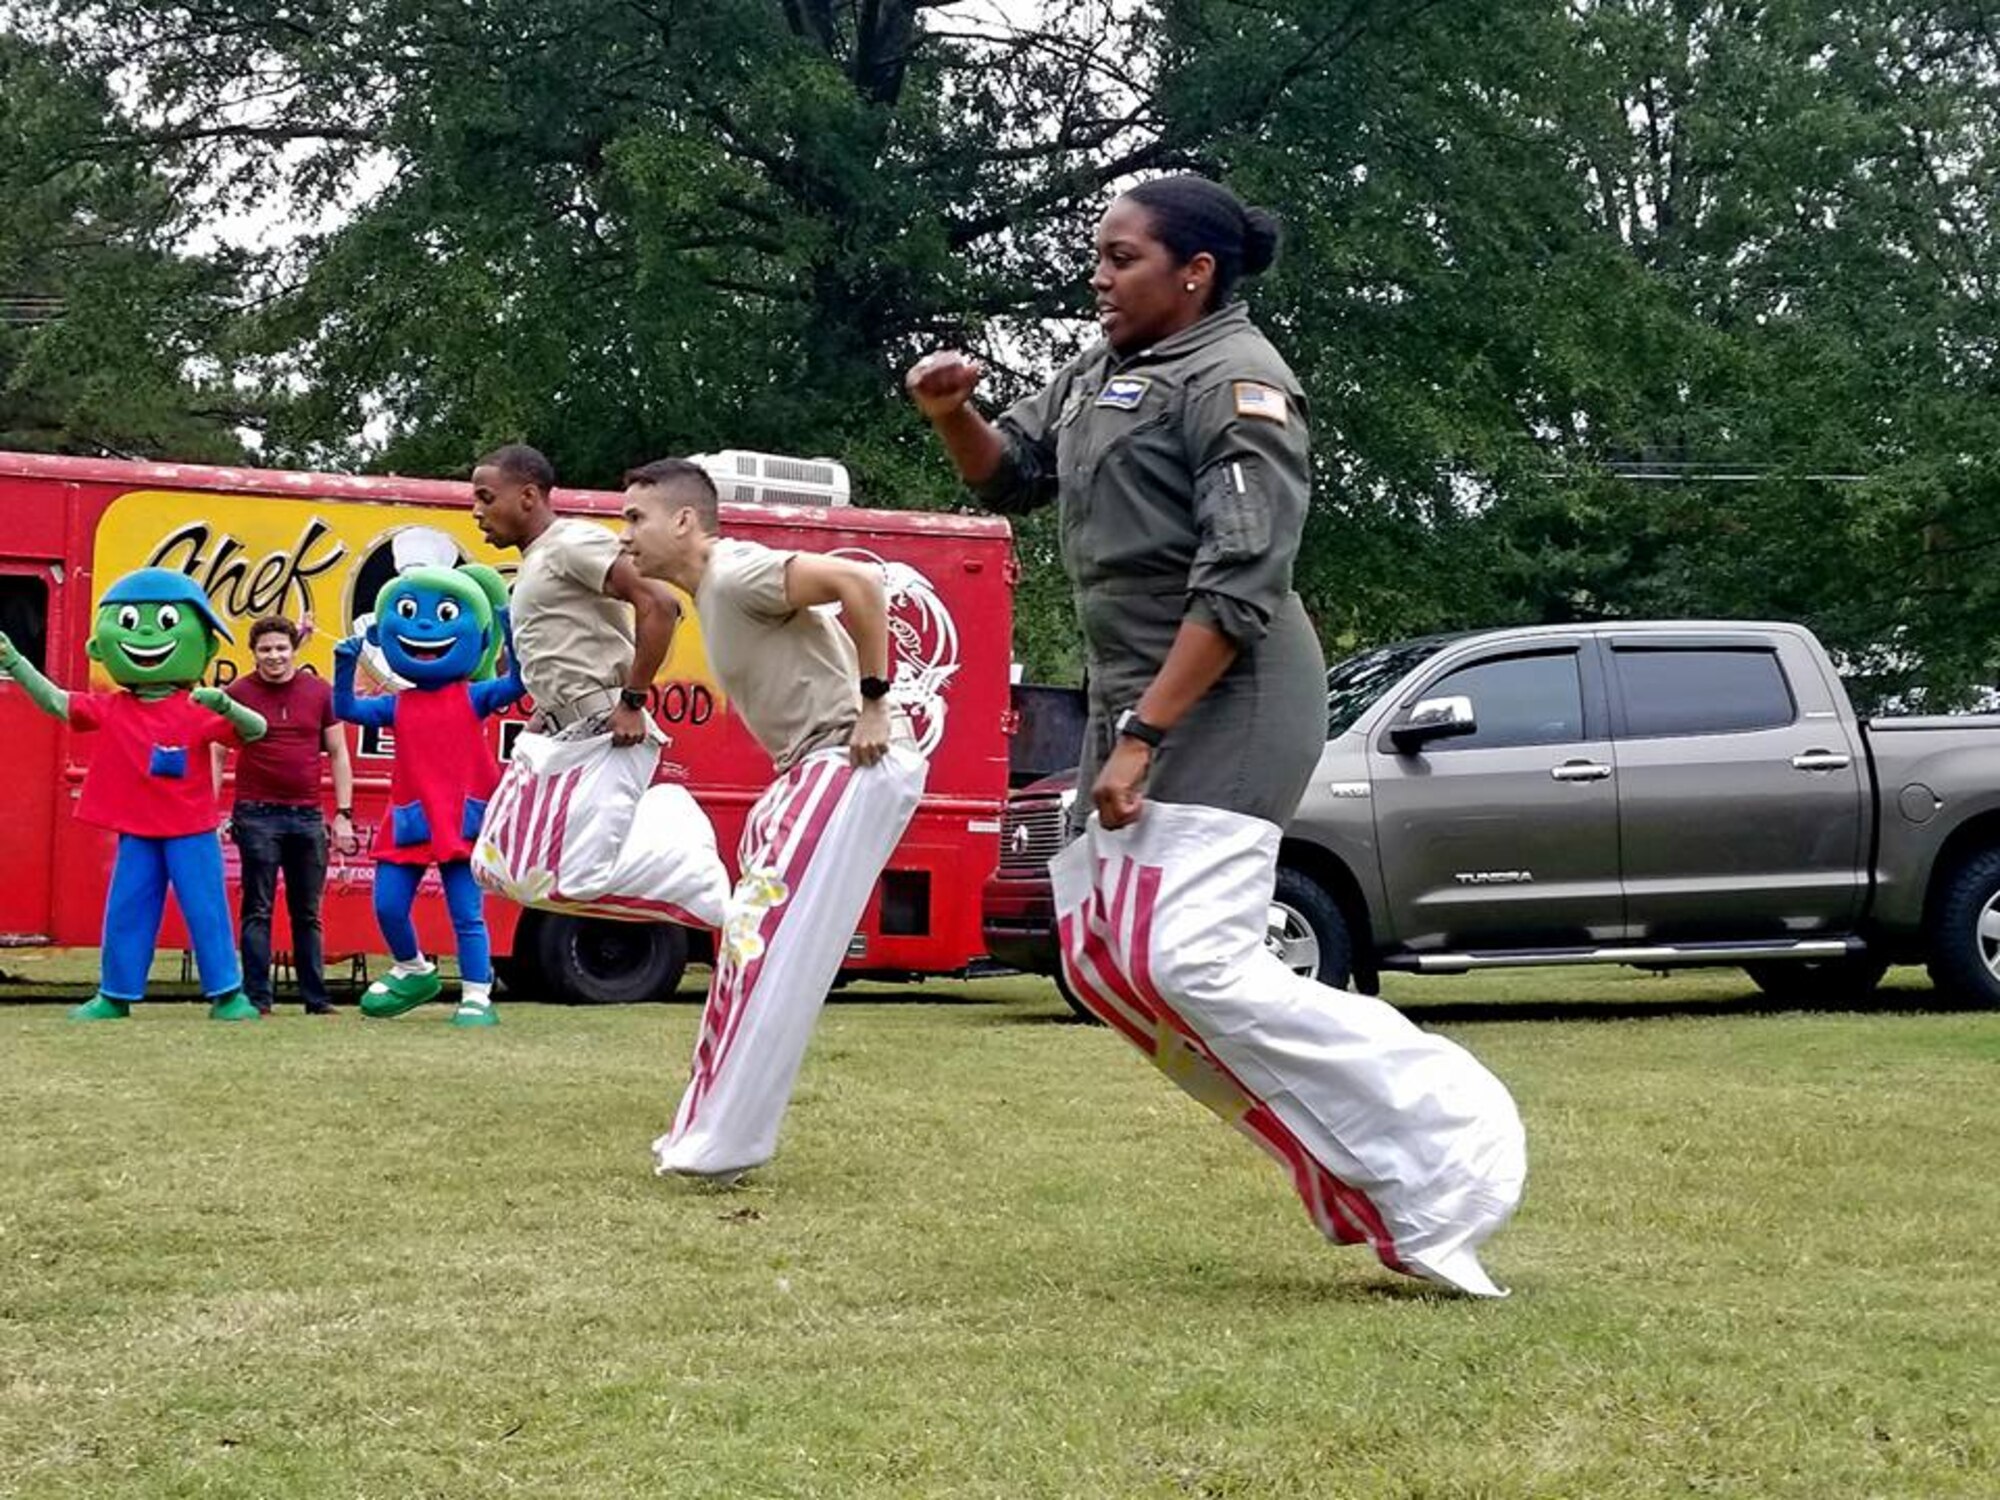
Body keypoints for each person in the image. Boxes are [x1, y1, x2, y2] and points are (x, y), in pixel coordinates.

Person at [906, 174, 1526, 1296]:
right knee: (1101, 964)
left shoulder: (1238, 384)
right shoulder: (1103, 369)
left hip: (1227, 693)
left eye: (1120, 257)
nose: (1096, 276)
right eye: (1094, 255)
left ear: (1193, 273)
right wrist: (952, 410)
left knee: (1184, 956)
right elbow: (1017, 476)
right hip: (1130, 695)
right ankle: (1370, 1176)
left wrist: (1146, 733)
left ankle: (1444, 1122)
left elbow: (1240, 585)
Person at [618, 458, 927, 1184]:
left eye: (637, 518)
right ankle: (703, 1132)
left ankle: (723, 1145)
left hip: (854, 759)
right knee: (742, 949)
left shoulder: (735, 572)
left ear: (685, 521)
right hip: (816, 768)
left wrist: (876, 700)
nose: (624, 535)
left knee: (758, 949)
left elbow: (861, 582)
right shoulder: (714, 596)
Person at [0, 568, 266, 1021]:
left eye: (163, 622)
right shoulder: (113, 707)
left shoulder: (199, 708)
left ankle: (228, 993)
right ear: (99, 646)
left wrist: (228, 705)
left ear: (205, 646)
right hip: (138, 831)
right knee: (126, 910)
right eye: (128, 622)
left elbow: (256, 730)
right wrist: (16, 663)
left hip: (191, 831)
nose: (144, 634)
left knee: (207, 911)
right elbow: (56, 702)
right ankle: (115, 994)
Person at [333, 564, 525, 1026]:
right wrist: (345, 665)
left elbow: (518, 684)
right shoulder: (398, 703)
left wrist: (511, 636)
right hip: (411, 820)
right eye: (409, 612)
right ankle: (414, 968)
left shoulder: (473, 696)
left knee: (467, 913)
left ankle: (477, 995)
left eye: (442, 614)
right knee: (387, 905)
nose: (424, 626)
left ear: (476, 640)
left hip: (460, 819)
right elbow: (346, 708)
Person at [470, 443, 680, 746]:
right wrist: (546, 714)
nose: (476, 512)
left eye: (486, 498)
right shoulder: (538, 558)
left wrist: (632, 702)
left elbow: (661, 603)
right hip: (567, 734)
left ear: (528, 497)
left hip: (606, 733)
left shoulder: (572, 543)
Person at [212, 615, 357, 1015]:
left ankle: (316, 1000)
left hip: (308, 815)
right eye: (265, 649)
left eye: (281, 648)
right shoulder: (238, 692)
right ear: (253, 653)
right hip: (255, 814)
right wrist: (209, 808)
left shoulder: (318, 691)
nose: (274, 656)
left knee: (307, 912)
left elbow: (340, 753)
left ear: (294, 649)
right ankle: (258, 998)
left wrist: (343, 813)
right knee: (257, 908)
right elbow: (218, 750)